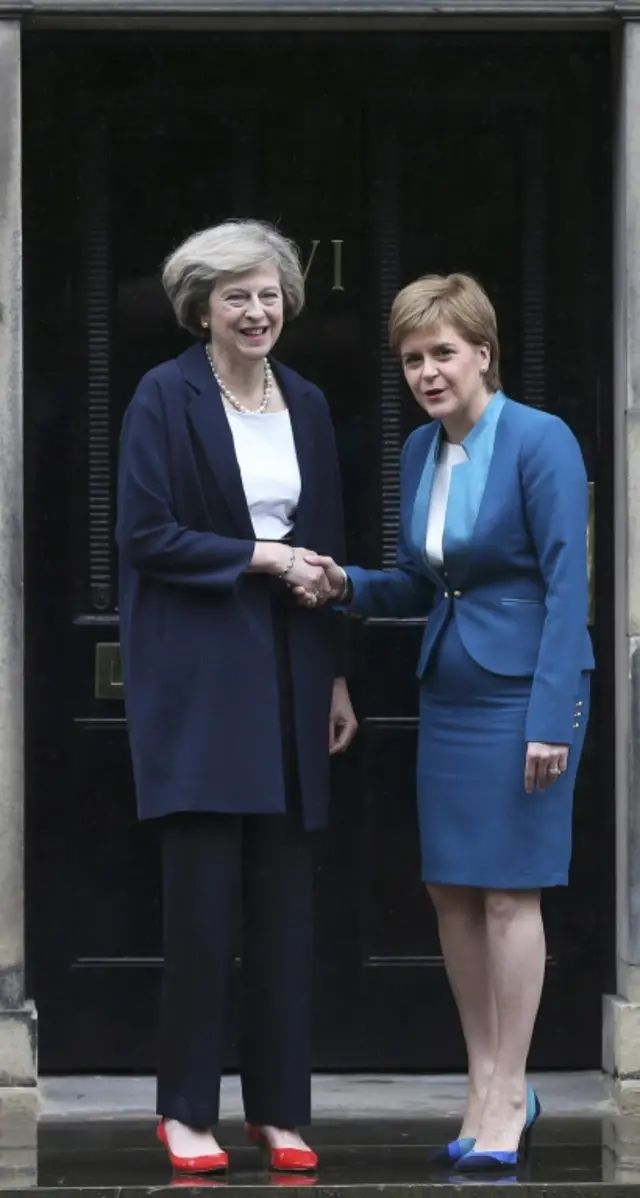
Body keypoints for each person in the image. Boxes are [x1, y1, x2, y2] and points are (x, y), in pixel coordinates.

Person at [295, 273, 593, 1173]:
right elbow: (423, 582)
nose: (427, 372)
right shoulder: (422, 451)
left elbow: (568, 584)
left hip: (522, 702)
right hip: (452, 697)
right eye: (413, 358)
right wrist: (347, 583)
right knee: (453, 893)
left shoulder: (540, 441)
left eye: (444, 353)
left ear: (484, 354)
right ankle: (483, 1079)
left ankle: (511, 1086)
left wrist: (553, 717)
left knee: (511, 892)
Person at [116, 219, 357, 1176]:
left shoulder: (306, 400)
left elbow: (329, 537)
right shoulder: (162, 397)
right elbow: (145, 534)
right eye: (236, 297)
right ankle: (185, 1112)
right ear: (200, 309)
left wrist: (338, 671)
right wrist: (259, 555)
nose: (256, 313)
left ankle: (281, 1110)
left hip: (293, 668)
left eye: (268, 295)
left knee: (284, 907)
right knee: (205, 909)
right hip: (201, 670)